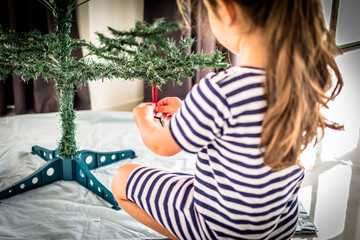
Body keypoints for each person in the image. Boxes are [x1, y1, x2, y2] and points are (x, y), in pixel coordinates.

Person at [112, 0, 343, 239]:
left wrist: (142, 117)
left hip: (221, 229)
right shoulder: (301, 80)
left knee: (121, 179)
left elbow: (160, 143)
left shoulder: (220, 90)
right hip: (278, 226)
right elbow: (244, 126)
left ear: (227, 10)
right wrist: (188, 111)